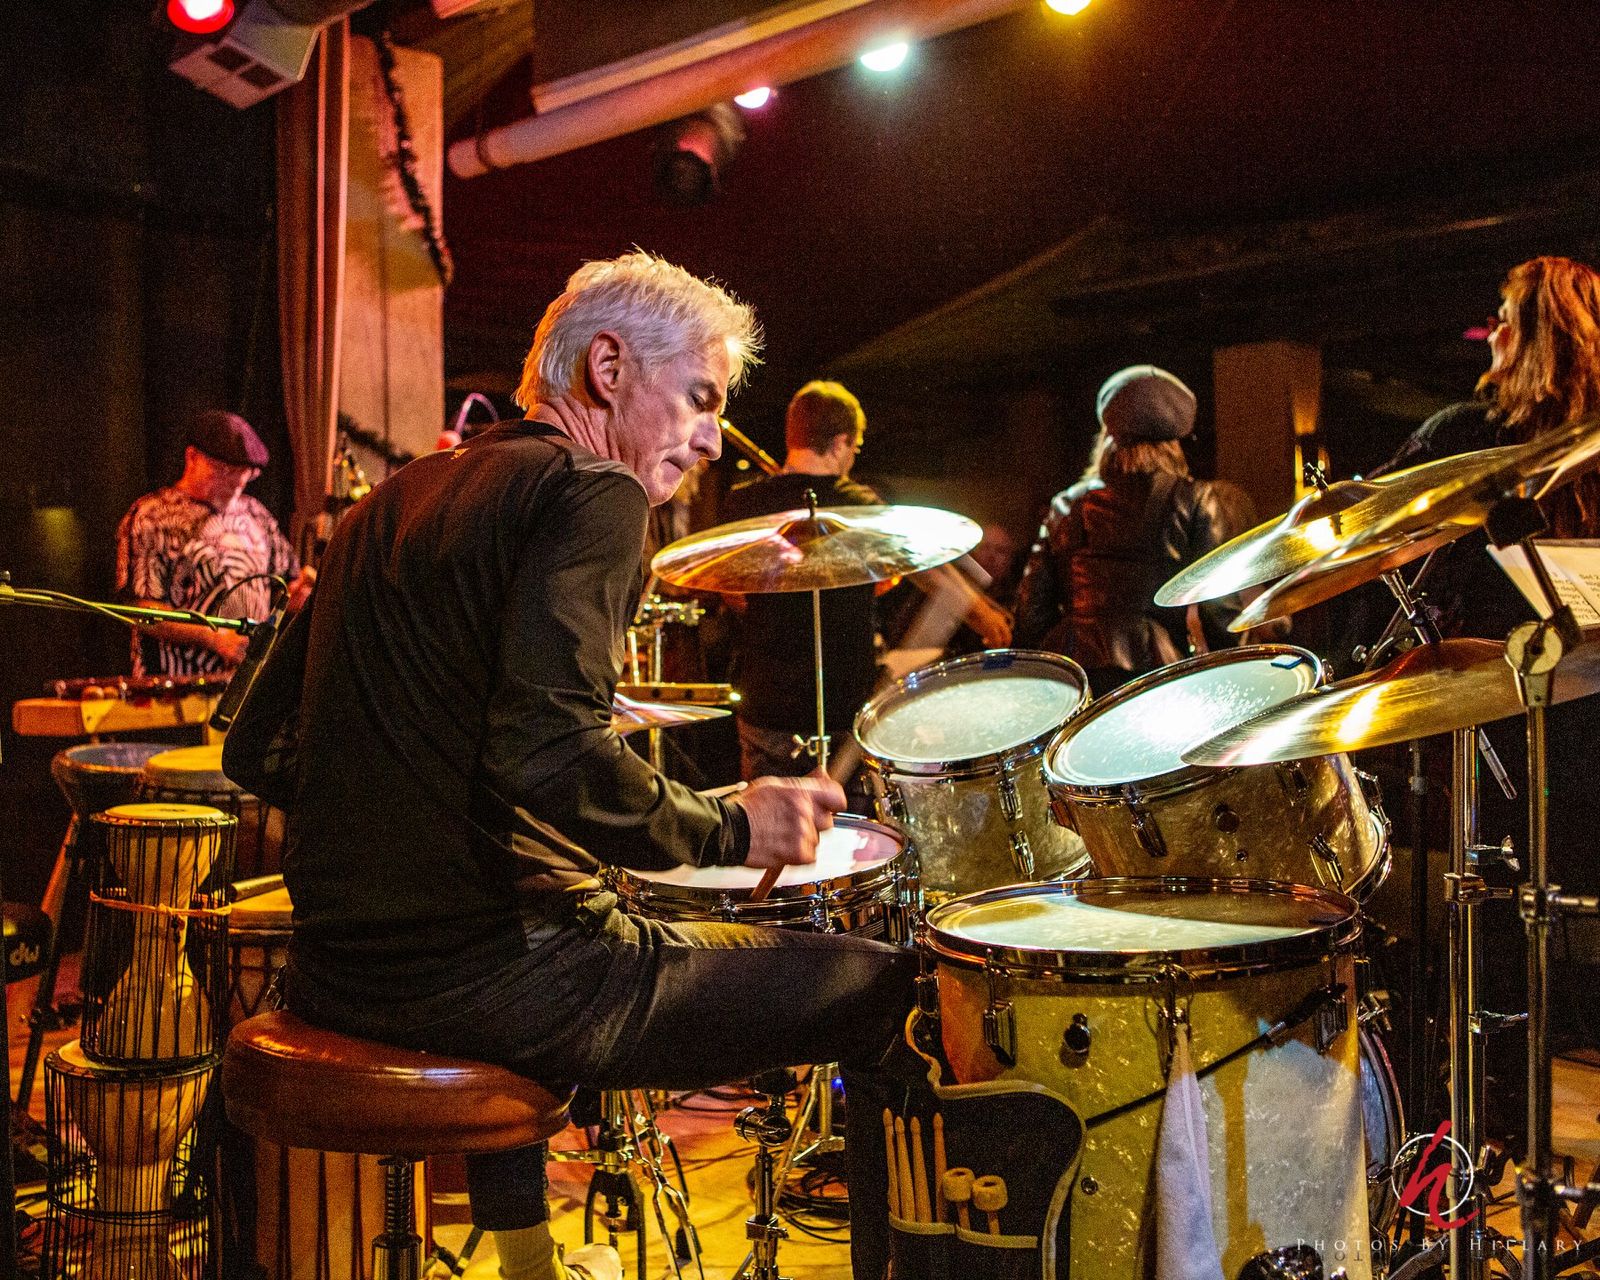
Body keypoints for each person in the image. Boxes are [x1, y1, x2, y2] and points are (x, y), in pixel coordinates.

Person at [225, 253, 917, 1280]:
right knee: (890, 987)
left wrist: (421, 799)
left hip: (338, 975)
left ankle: (527, 1264)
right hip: (501, 978)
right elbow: (547, 749)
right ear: (608, 368)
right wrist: (736, 826)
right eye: (700, 398)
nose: (709, 437)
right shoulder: (594, 492)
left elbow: (255, 745)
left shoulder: (386, 503)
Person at [1372, 255, 1600, 1144]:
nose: (1492, 334)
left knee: (1481, 901)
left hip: (1491, 732)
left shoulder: (1467, 437)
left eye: (1505, 317)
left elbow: (1378, 549)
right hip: (1578, 740)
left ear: (1537, 335)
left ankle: (1481, 1104)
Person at [1012, 364, 1258, 695]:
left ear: (1107, 439)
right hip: (1155, 674)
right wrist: (1236, 679)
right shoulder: (1196, 499)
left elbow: (1031, 609)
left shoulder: (1067, 504)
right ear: (1175, 442)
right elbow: (1219, 610)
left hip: (1073, 675)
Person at [722, 381, 881, 794]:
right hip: (847, 707)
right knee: (849, 825)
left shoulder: (743, 506)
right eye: (854, 447)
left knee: (769, 826)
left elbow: (730, 591)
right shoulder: (863, 509)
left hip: (767, 704)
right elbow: (883, 581)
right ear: (840, 442)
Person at [114, 409, 312, 676]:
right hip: (177, 683)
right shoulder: (151, 516)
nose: (234, 481)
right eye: (223, 470)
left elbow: (284, 588)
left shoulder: (257, 515)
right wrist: (213, 637)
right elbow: (140, 608)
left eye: (243, 473)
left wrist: (298, 595)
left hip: (247, 682)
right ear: (192, 457)